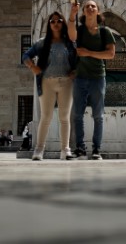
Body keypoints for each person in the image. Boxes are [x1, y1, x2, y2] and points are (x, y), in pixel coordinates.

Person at [22, 10, 77, 161]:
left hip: (66, 82)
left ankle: (65, 150)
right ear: (49, 24)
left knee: (64, 117)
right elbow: (26, 55)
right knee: (46, 117)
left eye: (59, 20)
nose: (56, 23)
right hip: (47, 82)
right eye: (52, 21)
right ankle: (39, 150)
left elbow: (80, 60)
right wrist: (32, 67)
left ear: (63, 23)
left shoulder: (70, 43)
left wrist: (75, 72)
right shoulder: (42, 42)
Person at [68, 0, 116, 161]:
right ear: (83, 12)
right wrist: (72, 14)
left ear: (98, 11)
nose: (89, 8)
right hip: (80, 77)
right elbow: (71, 35)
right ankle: (80, 148)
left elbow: (110, 54)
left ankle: (96, 149)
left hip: (97, 77)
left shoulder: (105, 32)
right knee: (77, 114)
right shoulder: (80, 31)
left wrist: (88, 53)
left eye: (93, 6)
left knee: (98, 115)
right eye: (87, 6)